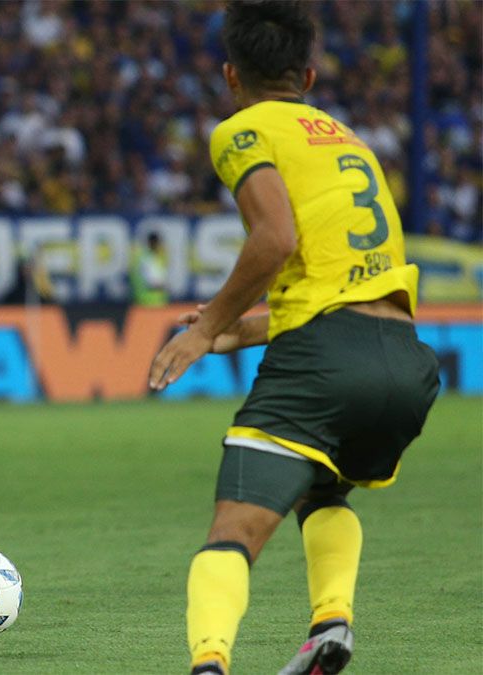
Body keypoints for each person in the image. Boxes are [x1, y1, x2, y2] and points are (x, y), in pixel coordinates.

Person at [148, 4, 440, 675]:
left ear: (230, 75)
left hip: (323, 361)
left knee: (232, 532)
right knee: (323, 489)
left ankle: (208, 665)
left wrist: (204, 326)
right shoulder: (349, 140)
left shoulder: (243, 129)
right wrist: (240, 331)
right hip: (404, 362)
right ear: (308, 73)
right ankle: (330, 624)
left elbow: (274, 239)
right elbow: (341, 286)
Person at [130, 232, 169, 307]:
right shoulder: (144, 258)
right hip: (146, 300)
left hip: (159, 301)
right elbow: (152, 281)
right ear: (151, 242)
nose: (157, 245)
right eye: (156, 243)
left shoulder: (158, 256)